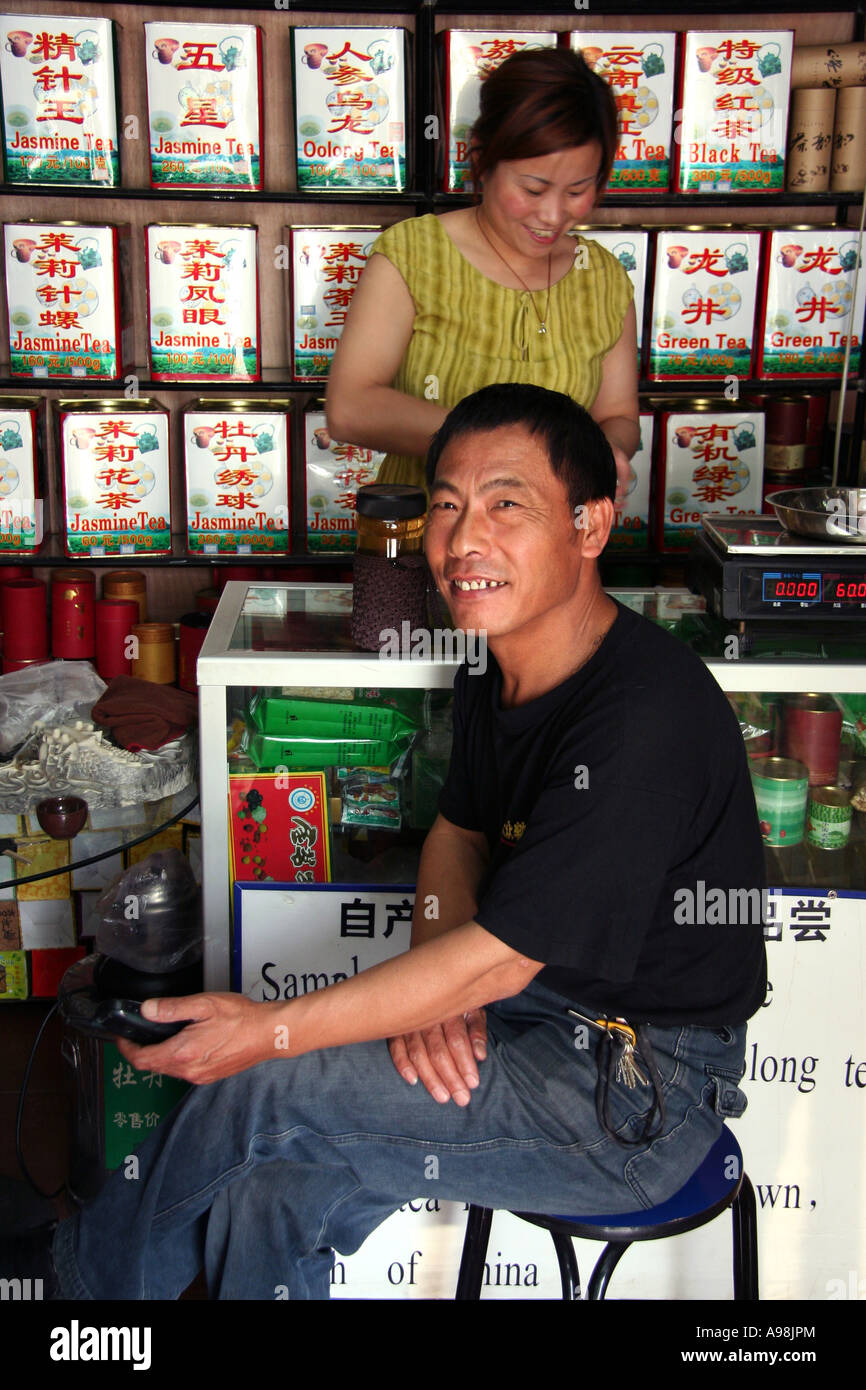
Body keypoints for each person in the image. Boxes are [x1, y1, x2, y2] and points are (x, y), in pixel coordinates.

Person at [15, 384, 766, 1300]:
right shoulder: (504, 661)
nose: (465, 538)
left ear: (591, 525)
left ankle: (77, 1303)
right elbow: (458, 830)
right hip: (540, 1018)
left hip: (636, 1092)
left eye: (507, 503)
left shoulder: (642, 721)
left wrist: (277, 1030)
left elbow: (500, 962)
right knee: (284, 1167)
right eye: (446, 504)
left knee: (266, 1088)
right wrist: (433, 990)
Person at [325, 47, 639, 497]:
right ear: (482, 159)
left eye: (577, 190)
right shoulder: (415, 255)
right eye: (533, 188)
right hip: (422, 538)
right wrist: (517, 450)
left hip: (550, 549)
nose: (552, 214)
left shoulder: (604, 278)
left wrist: (606, 450)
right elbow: (350, 408)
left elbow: (620, 416)